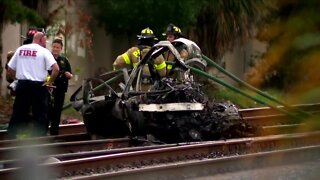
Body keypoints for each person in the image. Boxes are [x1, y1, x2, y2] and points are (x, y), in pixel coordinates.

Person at [6, 32, 59, 139]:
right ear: (40, 40)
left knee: (18, 112)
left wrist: (17, 79)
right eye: (45, 41)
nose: (45, 43)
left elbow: (10, 68)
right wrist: (49, 82)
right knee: (40, 114)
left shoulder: (21, 49)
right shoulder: (44, 51)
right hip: (38, 87)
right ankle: (38, 138)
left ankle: (11, 137)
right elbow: (56, 69)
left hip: (23, 85)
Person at [47, 37, 73, 135]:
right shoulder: (48, 58)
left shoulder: (64, 60)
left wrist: (68, 75)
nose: (55, 49)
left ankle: (54, 133)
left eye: (57, 47)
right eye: (54, 47)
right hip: (49, 88)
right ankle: (44, 131)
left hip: (60, 89)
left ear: (61, 49)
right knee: (48, 110)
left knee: (57, 111)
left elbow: (70, 74)